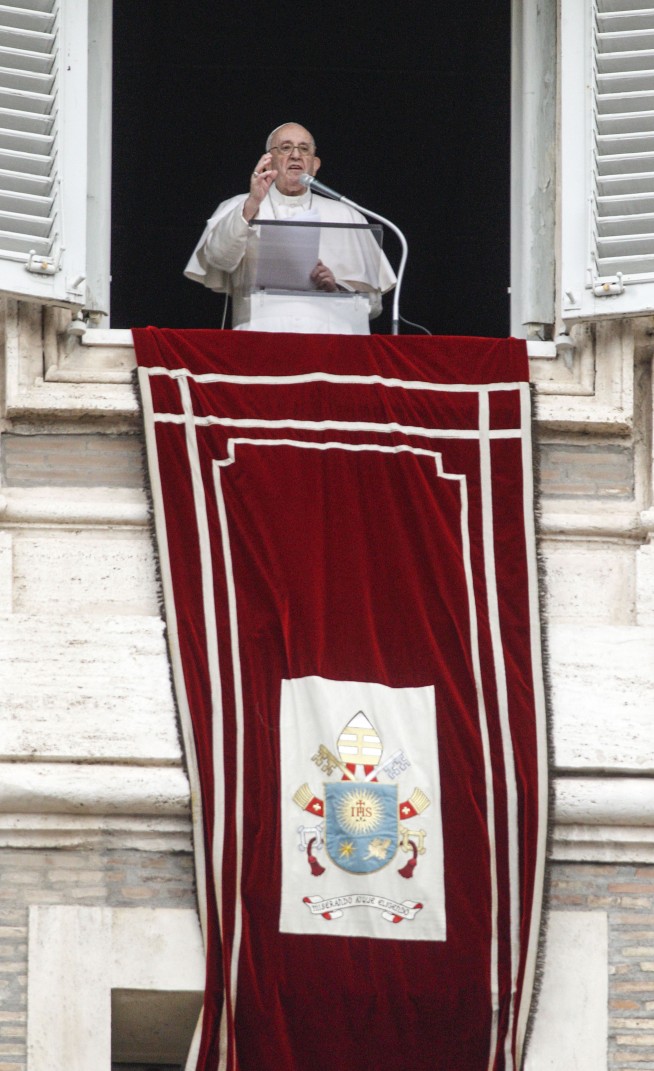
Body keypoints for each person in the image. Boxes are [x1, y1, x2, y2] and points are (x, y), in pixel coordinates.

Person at [184, 122, 396, 333]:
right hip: (259, 339)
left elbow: (374, 306)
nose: (296, 155)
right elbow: (219, 259)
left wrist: (338, 289)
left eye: (304, 149)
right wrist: (252, 203)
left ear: (315, 164)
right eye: (285, 148)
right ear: (268, 161)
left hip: (332, 344)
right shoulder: (238, 207)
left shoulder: (348, 216)